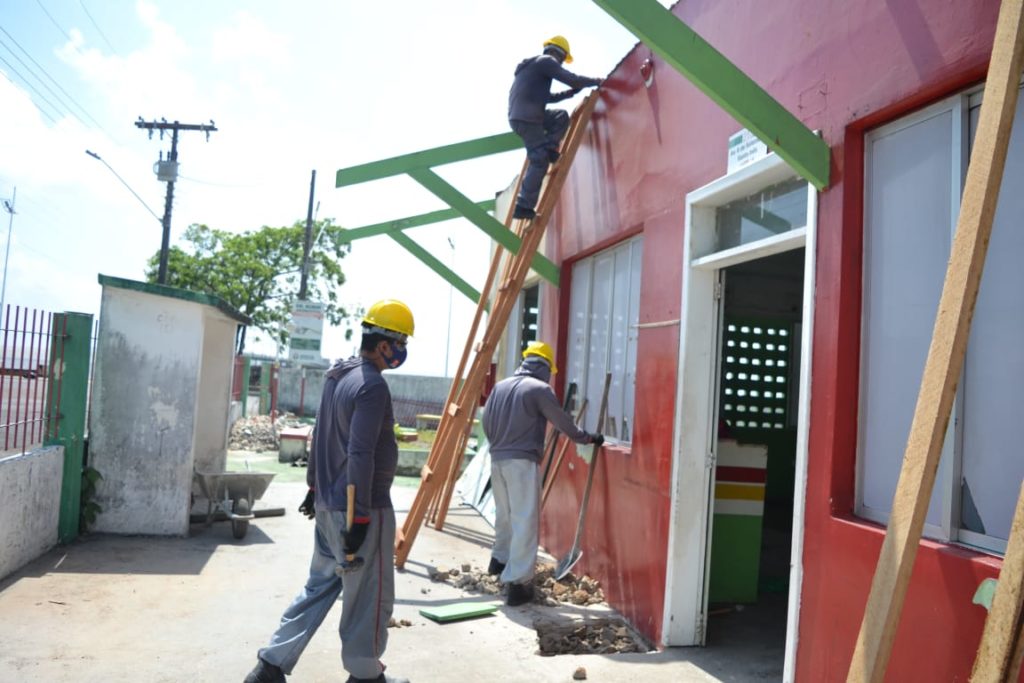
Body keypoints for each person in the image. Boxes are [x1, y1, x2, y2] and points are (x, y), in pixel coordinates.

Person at [244, 300, 415, 683]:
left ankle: (269, 666)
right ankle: (366, 675)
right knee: (369, 596)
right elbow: (360, 452)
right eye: (401, 341)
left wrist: (313, 485)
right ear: (384, 343)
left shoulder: (338, 376)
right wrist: (361, 517)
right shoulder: (371, 386)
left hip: (327, 505)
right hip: (359, 507)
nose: (403, 349)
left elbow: (320, 432)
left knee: (318, 587)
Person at [482, 340, 603, 606]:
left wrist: (498, 445)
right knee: (525, 520)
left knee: (504, 515)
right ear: (546, 366)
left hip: (497, 458)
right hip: (522, 462)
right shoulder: (539, 388)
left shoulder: (500, 387)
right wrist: (587, 438)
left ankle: (498, 562)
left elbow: (485, 421)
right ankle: (518, 584)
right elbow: (562, 422)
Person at [507, 35, 602, 221]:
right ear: (559, 54)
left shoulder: (534, 68)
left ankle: (551, 149)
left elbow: (545, 97)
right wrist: (596, 81)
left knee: (560, 117)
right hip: (528, 119)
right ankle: (523, 206)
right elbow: (572, 79)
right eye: (563, 60)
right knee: (539, 160)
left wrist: (569, 94)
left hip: (526, 115)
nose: (562, 65)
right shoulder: (547, 62)